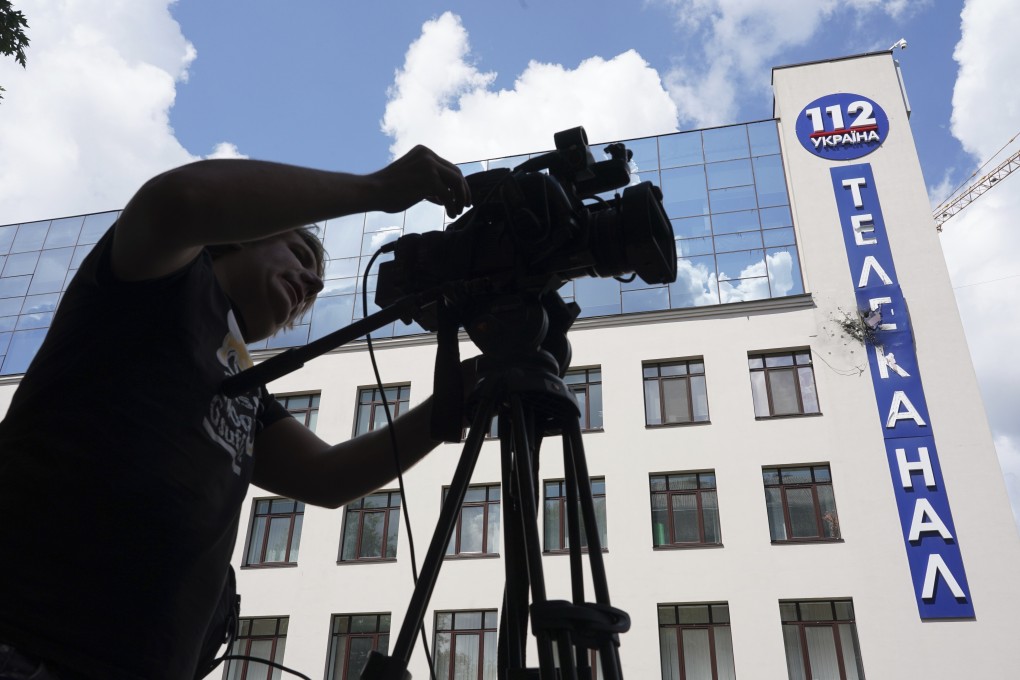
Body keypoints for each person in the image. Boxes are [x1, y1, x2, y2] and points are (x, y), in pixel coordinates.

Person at [0, 147, 472, 680]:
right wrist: (378, 190)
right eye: (298, 254)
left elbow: (327, 477)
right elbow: (183, 198)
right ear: (242, 234)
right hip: (24, 644)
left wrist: (456, 404)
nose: (312, 284)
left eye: (315, 281)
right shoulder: (155, 281)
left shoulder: (245, 382)